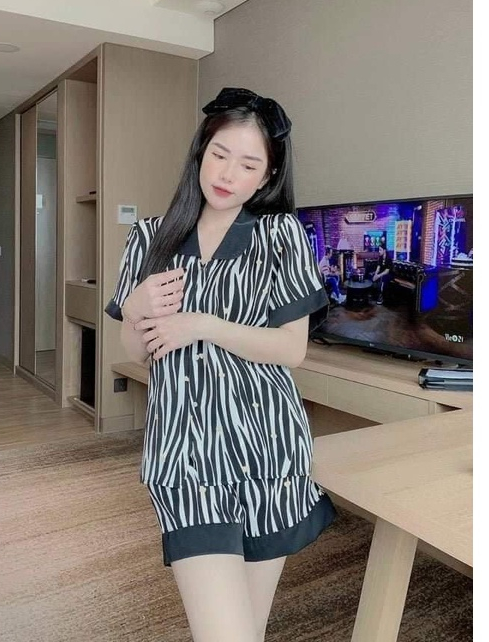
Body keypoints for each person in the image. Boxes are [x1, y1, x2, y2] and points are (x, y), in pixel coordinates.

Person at [105, 87, 336, 642]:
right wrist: (135, 310)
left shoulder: (280, 235)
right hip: (184, 457)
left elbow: (292, 349)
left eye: (249, 164)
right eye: (219, 154)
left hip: (267, 451)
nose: (229, 173)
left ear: (267, 176)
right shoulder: (150, 238)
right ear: (200, 153)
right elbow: (134, 352)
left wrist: (203, 325)